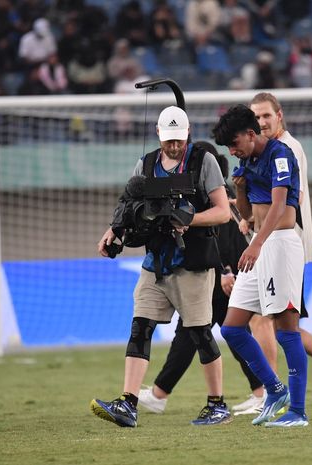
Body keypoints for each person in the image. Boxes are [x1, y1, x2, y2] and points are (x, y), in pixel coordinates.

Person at [90, 106, 231, 427]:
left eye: (178, 140)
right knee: (140, 327)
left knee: (199, 334)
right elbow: (128, 204)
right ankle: (128, 403)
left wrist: (189, 219)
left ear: (188, 133)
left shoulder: (203, 161)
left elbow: (223, 212)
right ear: (158, 134)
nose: (174, 146)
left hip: (193, 263)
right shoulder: (147, 163)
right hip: (155, 262)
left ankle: (217, 404)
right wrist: (113, 230)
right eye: (168, 141)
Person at [233, 92, 312, 415]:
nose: (261, 122)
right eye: (257, 117)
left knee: (271, 323)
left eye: (266, 116)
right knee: (275, 323)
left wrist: (258, 229)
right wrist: (249, 215)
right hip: (270, 242)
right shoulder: (255, 155)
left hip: (286, 243)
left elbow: (292, 196)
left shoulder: (288, 148)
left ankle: (272, 395)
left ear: (280, 116)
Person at [138, 141, 262, 415]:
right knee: (199, 333)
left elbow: (225, 239)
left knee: (218, 333)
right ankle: (160, 393)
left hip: (219, 275)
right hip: (217, 274)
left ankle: (263, 390)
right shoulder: (214, 193)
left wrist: (225, 271)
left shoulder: (217, 196)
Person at [213, 104, 308, 428]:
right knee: (232, 328)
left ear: (251, 134)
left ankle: (297, 411)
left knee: (286, 330)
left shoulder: (280, 155)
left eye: (235, 143)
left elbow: (280, 206)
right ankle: (274, 389)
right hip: (260, 244)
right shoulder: (248, 161)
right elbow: (249, 212)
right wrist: (239, 188)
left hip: (279, 244)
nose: (232, 150)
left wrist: (255, 242)